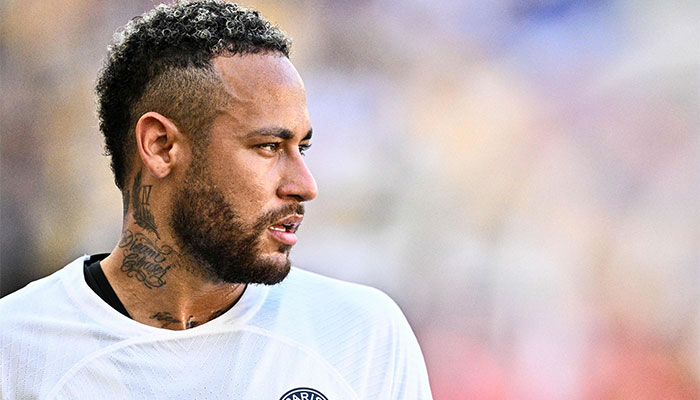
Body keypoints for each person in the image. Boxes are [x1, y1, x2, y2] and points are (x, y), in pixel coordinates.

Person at [0, 1, 432, 399]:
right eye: (267, 146)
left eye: (303, 148)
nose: (305, 185)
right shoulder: (16, 347)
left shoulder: (361, 334)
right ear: (161, 146)